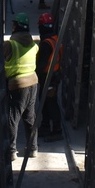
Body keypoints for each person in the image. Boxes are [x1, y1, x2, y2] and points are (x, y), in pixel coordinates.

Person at [4, 12, 39, 161]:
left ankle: (11, 151)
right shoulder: (34, 45)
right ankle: (33, 149)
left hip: (17, 84)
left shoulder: (10, 45)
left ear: (16, 26)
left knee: (13, 118)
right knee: (30, 117)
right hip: (33, 83)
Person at [36, 12, 63, 141]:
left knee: (50, 103)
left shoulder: (46, 44)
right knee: (45, 101)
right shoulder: (55, 38)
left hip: (48, 78)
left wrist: (35, 73)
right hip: (54, 76)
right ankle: (46, 126)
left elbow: (41, 64)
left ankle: (57, 130)